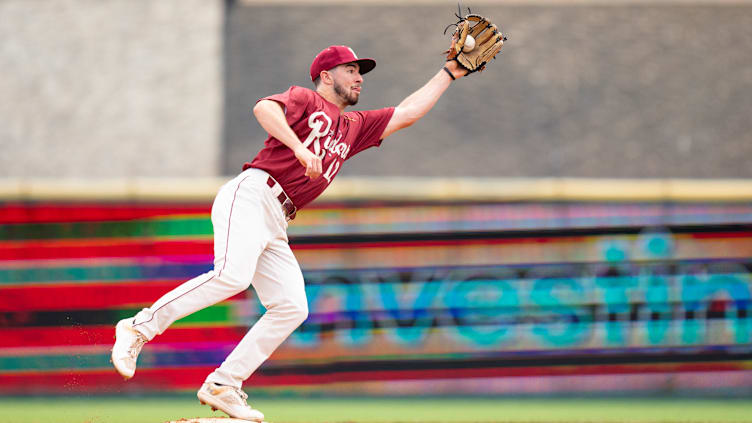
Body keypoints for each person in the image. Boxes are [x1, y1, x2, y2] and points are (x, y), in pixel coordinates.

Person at [111, 45, 478, 422]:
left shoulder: (353, 127)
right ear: (326, 76)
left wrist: (448, 73)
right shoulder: (306, 99)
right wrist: (298, 146)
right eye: (350, 70)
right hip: (253, 193)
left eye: (359, 71)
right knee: (231, 276)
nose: (359, 78)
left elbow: (407, 114)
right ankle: (139, 327)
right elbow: (263, 108)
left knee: (291, 306)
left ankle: (224, 383)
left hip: (278, 217)